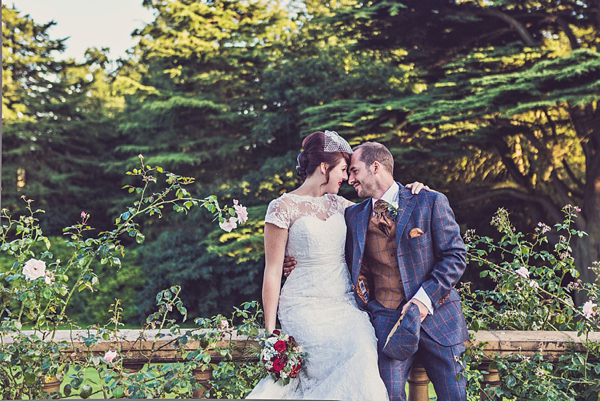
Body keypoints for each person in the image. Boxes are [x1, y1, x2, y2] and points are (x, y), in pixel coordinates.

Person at [246, 131, 426, 401]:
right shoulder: (281, 207)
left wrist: (415, 192)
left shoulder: (343, 206)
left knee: (364, 351)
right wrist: (272, 335)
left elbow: (385, 208)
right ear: (323, 167)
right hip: (303, 305)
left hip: (343, 305)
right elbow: (272, 272)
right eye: (343, 170)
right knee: (332, 358)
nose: (347, 178)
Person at [285, 141, 468, 401]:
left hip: (440, 321)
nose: (349, 179)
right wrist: (290, 260)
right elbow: (323, 245)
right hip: (386, 321)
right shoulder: (353, 215)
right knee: (386, 395)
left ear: (375, 167)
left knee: (455, 397)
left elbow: (455, 256)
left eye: (355, 171)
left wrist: (423, 299)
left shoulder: (429, 201)